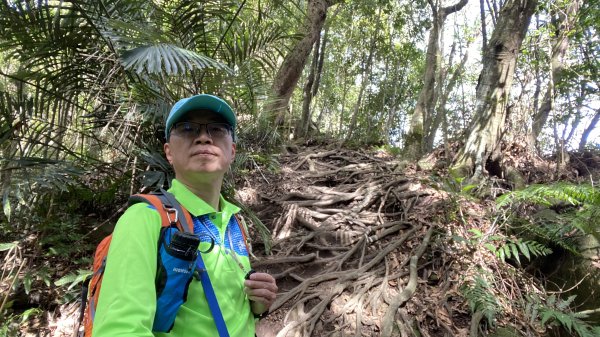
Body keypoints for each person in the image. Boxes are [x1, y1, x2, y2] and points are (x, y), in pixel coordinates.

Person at [91, 94, 278, 337]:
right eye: (187, 128)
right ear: (168, 152)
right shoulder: (146, 219)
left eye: (218, 129)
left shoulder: (234, 222)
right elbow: (120, 331)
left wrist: (256, 304)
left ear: (232, 152)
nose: (203, 137)